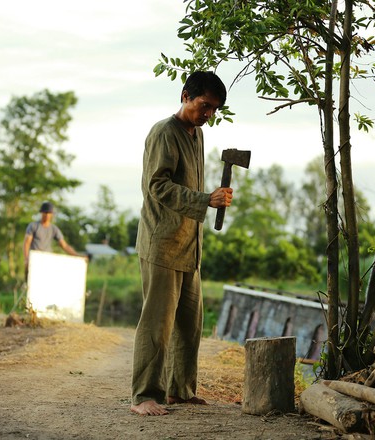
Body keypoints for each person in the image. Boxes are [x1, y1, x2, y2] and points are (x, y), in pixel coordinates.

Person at [130, 71, 233, 416]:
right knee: (157, 325)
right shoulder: (163, 133)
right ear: (185, 95)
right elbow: (156, 187)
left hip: (189, 244)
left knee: (190, 324)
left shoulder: (197, 135)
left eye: (214, 110)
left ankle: (180, 391)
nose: (208, 115)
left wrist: (214, 199)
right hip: (162, 243)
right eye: (204, 106)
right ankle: (145, 395)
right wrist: (206, 200)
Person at [23, 201, 83, 278]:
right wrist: (26, 258)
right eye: (45, 213)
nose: (47, 215)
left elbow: (64, 245)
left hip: (47, 259)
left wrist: (77, 256)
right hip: (35, 258)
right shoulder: (33, 226)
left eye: (49, 213)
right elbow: (27, 243)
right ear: (41, 213)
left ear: (52, 214)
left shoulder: (54, 229)